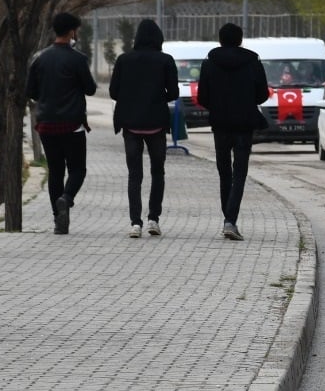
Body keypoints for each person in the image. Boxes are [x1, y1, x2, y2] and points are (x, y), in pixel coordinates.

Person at [26, 11, 98, 234]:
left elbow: (31, 91)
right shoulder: (78, 59)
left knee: (55, 171)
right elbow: (91, 88)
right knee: (77, 169)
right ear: (71, 32)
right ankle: (66, 199)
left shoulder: (40, 58)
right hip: (72, 124)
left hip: (46, 123)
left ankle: (58, 220)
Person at [196, 22, 269, 241]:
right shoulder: (253, 63)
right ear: (240, 39)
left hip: (220, 123)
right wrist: (246, 101)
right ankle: (230, 220)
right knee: (240, 173)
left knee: (223, 171)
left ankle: (228, 218)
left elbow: (202, 96)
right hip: (245, 124)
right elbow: (262, 94)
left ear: (220, 40)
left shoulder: (209, 64)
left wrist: (218, 106)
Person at [109, 19, 179, 238]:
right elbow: (174, 93)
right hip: (156, 125)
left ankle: (135, 223)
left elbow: (113, 92)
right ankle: (153, 219)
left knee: (134, 175)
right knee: (158, 172)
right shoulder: (165, 60)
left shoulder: (124, 60)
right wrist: (158, 99)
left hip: (131, 125)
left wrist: (131, 100)